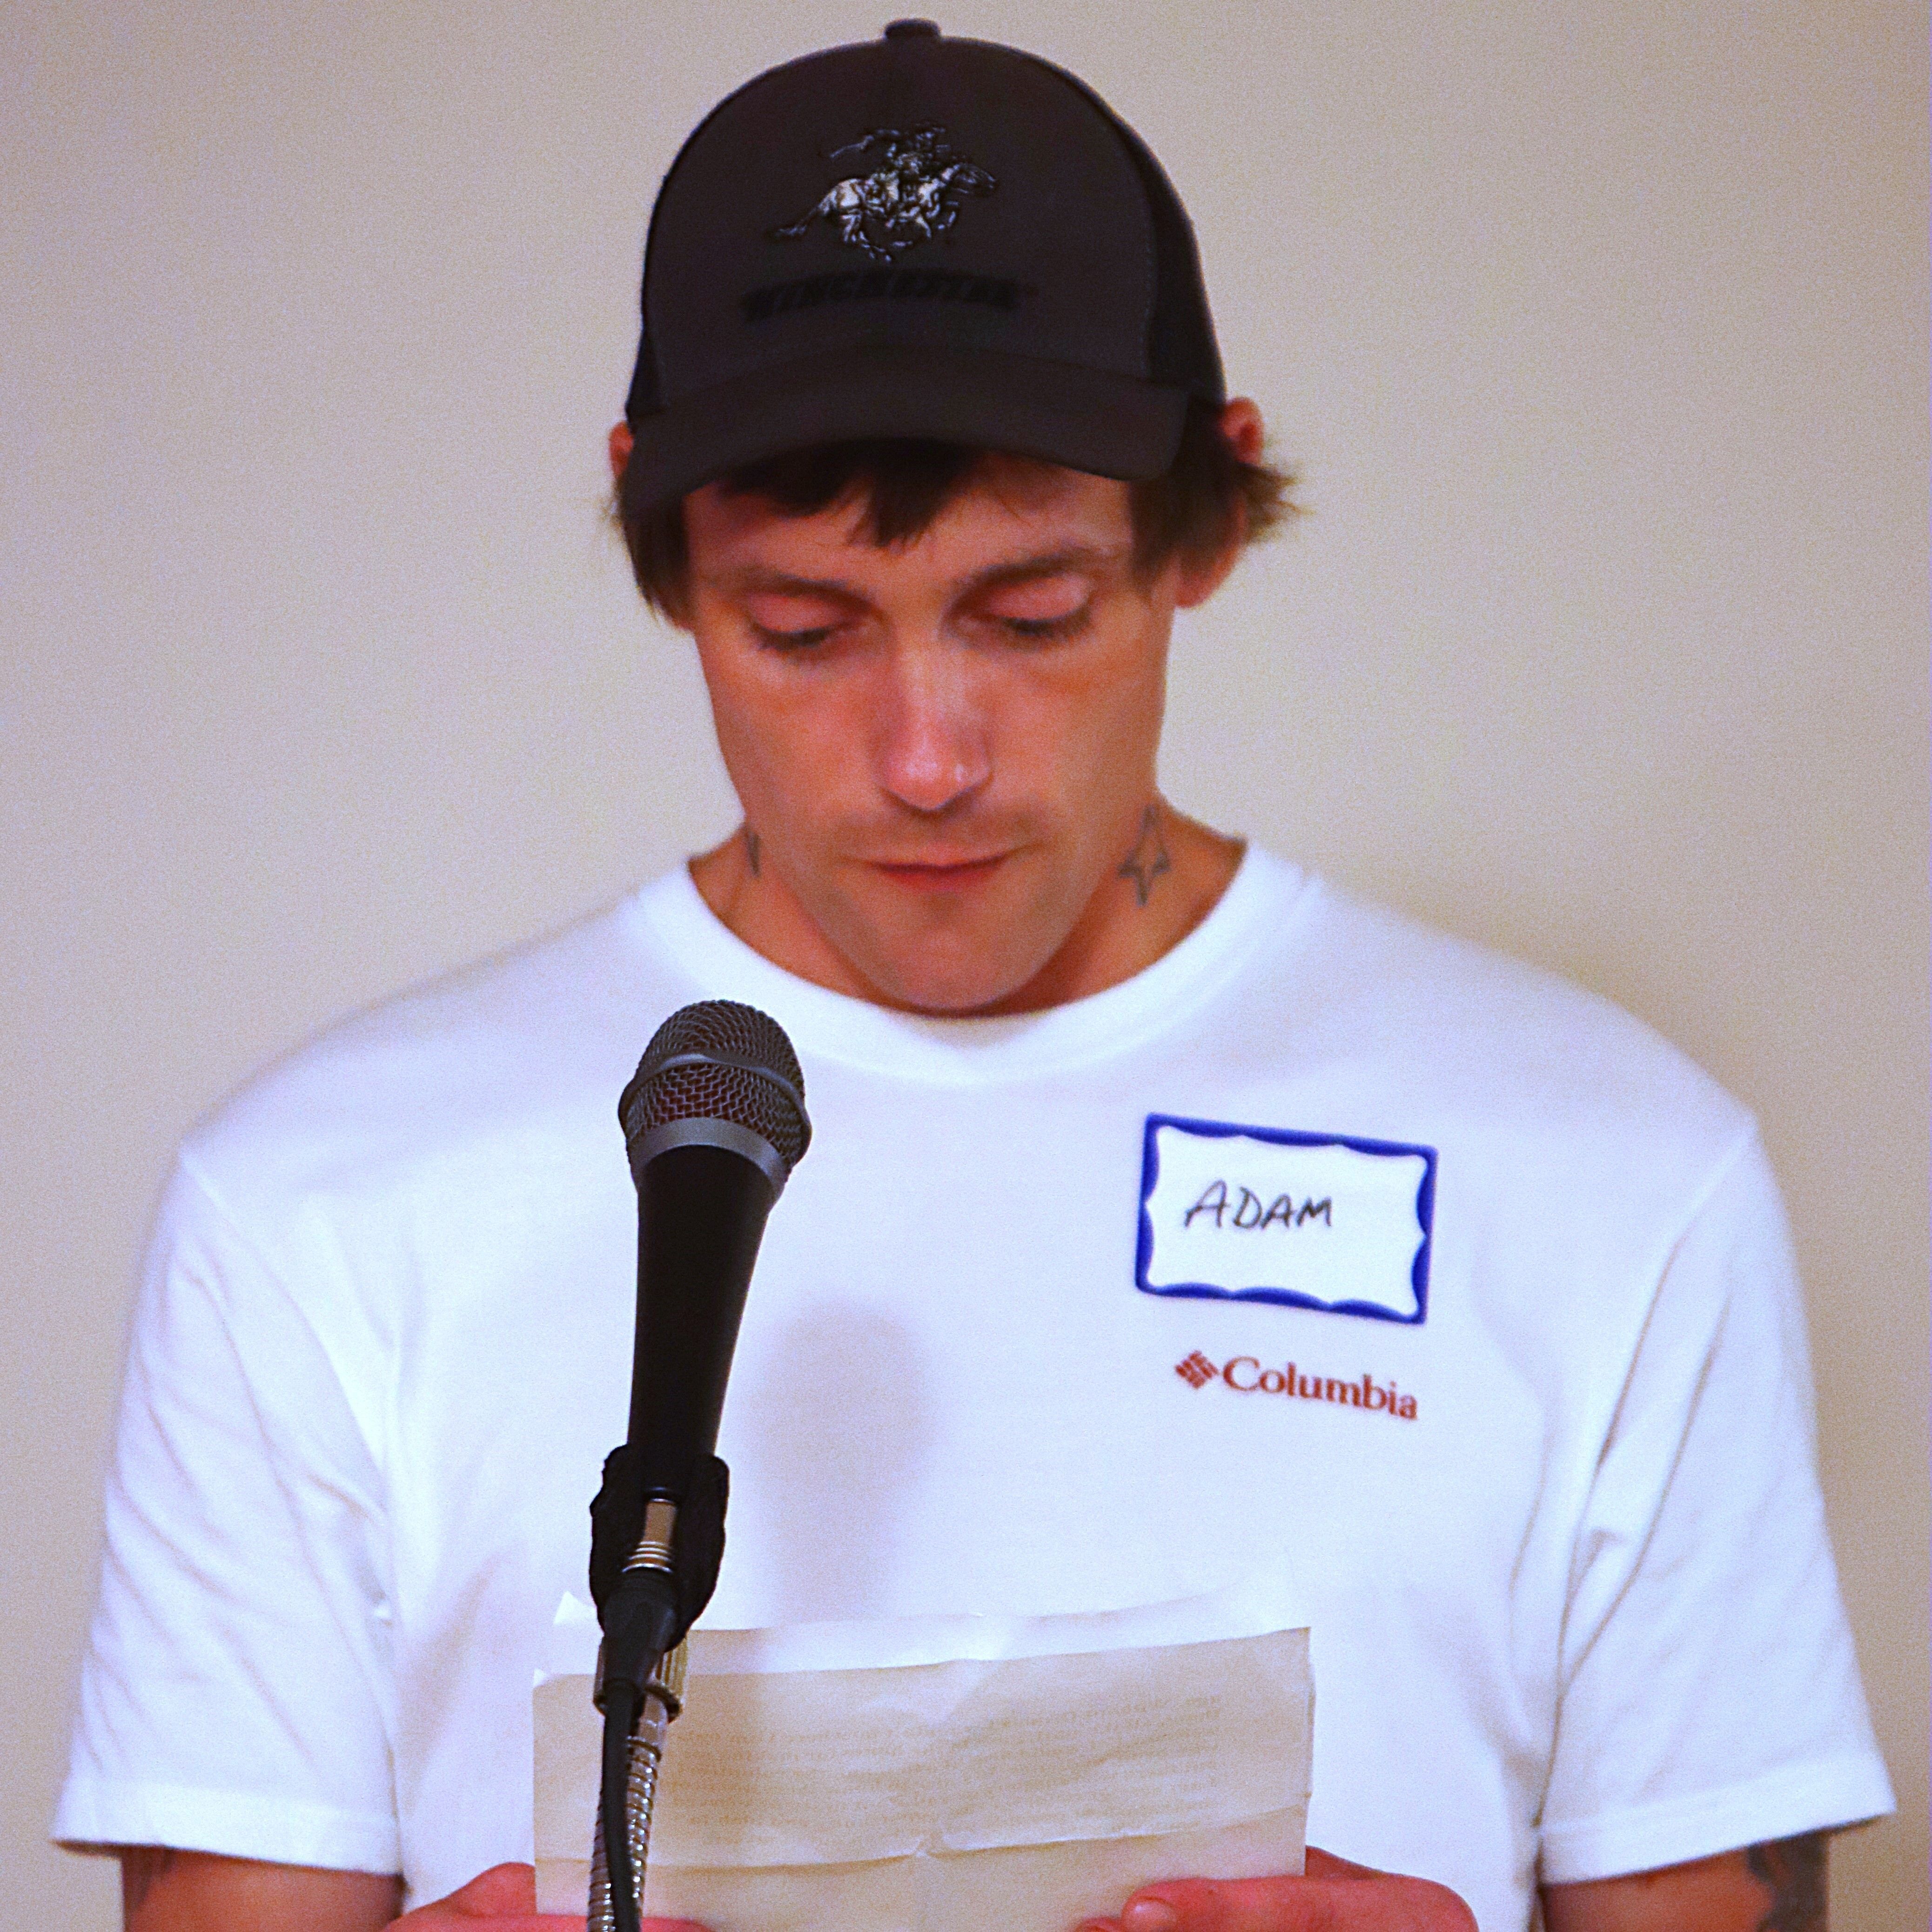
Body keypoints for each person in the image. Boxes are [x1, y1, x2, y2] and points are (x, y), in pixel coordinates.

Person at [58, 21, 1890, 1932]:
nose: (928, 755)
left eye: (1029, 618)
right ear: (661, 543)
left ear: (1204, 520)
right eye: (805, 628)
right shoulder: (318, 1206)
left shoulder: (1610, 1169)